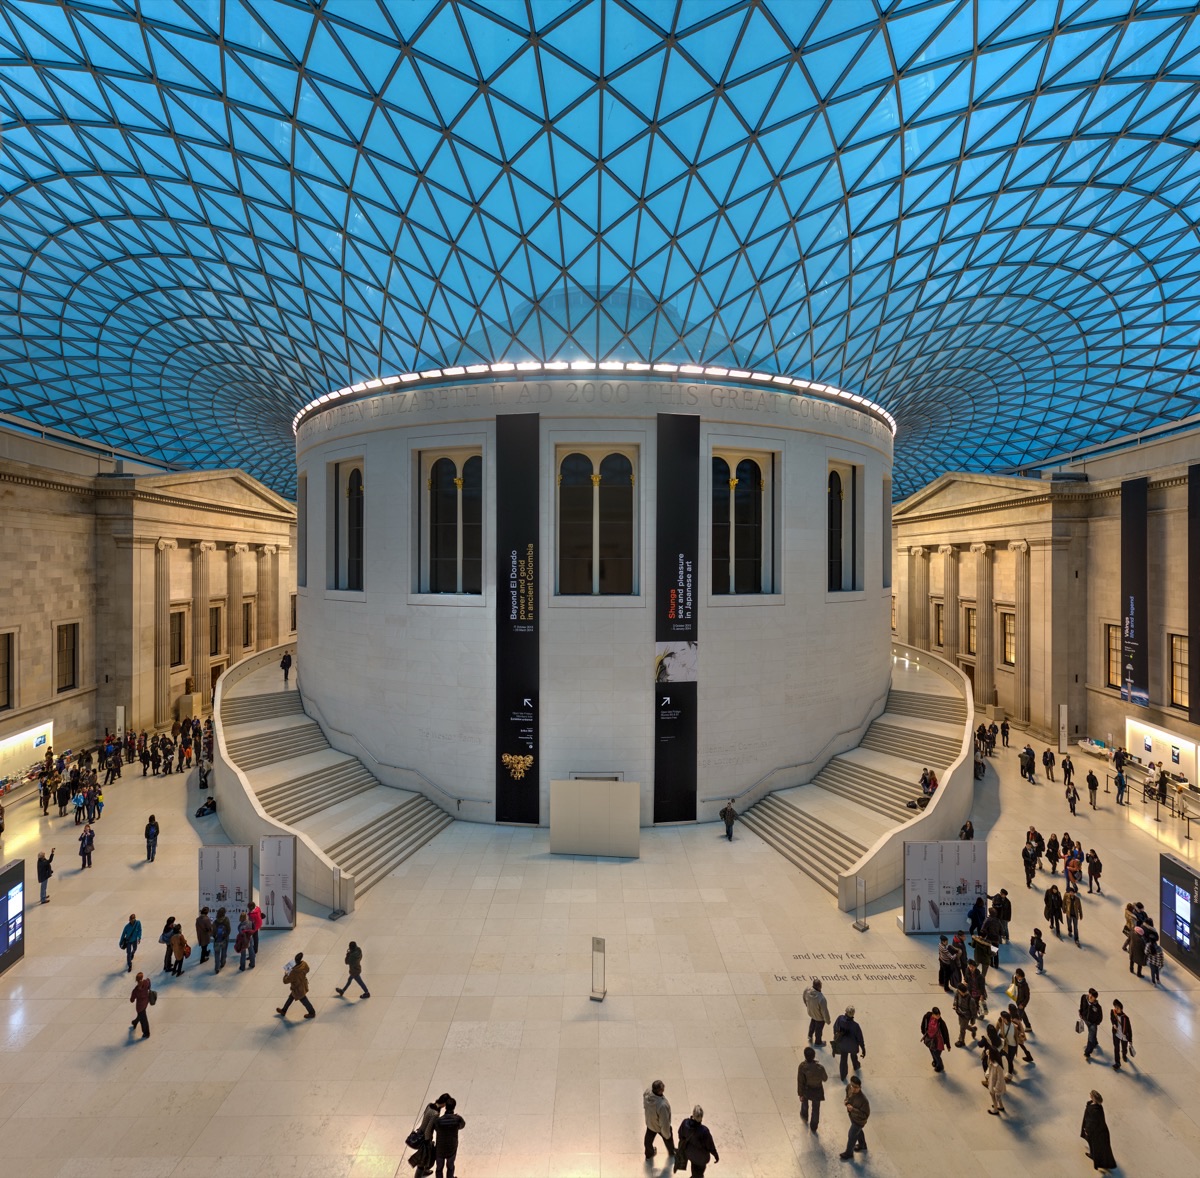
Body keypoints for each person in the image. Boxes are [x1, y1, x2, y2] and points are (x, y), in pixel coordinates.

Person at [676, 1105, 719, 1175]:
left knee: (694, 1167)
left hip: (689, 1153)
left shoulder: (685, 1123)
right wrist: (715, 1155)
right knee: (699, 1173)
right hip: (701, 1158)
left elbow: (680, 1135)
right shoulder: (704, 1131)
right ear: (701, 1117)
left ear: (693, 1114)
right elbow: (710, 1146)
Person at [1081, 1090, 1117, 1171]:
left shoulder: (1095, 1110)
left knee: (1095, 1145)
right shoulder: (1097, 1107)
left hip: (1096, 1132)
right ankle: (1094, 1155)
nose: (1089, 1095)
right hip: (1099, 1131)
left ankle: (1096, 1158)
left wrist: (1087, 1129)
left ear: (1093, 1097)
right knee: (1094, 1144)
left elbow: (1092, 1122)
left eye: (1091, 1094)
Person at [433, 1095, 465, 1178]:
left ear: (445, 1107)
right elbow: (462, 1126)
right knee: (450, 1167)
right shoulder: (457, 1119)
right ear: (454, 1107)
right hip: (452, 1147)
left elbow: (436, 1129)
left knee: (439, 1168)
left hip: (440, 1147)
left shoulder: (439, 1120)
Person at [797, 1045, 828, 1132]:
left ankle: (804, 1115)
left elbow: (800, 1081)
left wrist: (800, 1093)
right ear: (814, 1056)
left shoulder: (802, 1067)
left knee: (804, 1103)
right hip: (817, 1090)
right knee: (816, 1108)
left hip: (807, 1089)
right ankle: (814, 1126)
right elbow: (825, 1078)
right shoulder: (820, 1068)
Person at [277, 951, 316, 1019]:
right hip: (303, 983)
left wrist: (286, 974)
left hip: (297, 989)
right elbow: (308, 970)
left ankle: (312, 1012)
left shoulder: (293, 972)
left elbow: (285, 981)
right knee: (291, 997)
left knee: (304, 1000)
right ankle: (284, 1010)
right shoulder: (304, 964)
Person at [839, 1076, 870, 1159]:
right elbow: (847, 1096)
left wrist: (853, 1110)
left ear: (860, 1087)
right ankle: (862, 1144)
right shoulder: (849, 1087)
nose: (854, 1089)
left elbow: (865, 1115)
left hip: (859, 1121)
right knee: (858, 1131)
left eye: (856, 1087)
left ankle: (849, 1153)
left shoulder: (864, 1100)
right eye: (853, 1086)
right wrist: (846, 1101)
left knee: (852, 1135)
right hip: (852, 1117)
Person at [642, 1079, 674, 1159]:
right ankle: (671, 1152)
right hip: (659, 1126)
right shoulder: (662, 1105)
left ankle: (649, 1153)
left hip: (650, 1123)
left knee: (648, 1141)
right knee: (668, 1139)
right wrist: (667, 1135)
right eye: (663, 1086)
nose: (664, 1086)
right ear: (660, 1091)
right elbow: (664, 1122)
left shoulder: (648, 1093)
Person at [413, 1095, 443, 1177]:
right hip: (426, 1137)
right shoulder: (436, 1113)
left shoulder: (429, 1105)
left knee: (424, 1158)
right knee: (424, 1158)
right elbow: (429, 1128)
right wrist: (428, 1141)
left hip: (420, 1132)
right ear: (443, 1104)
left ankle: (424, 1171)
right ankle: (418, 1176)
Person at [832, 1005, 865, 1081]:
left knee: (843, 1059)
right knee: (854, 1056)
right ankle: (856, 1066)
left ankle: (843, 1075)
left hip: (843, 1044)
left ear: (845, 1012)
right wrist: (863, 1048)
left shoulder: (840, 1019)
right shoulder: (856, 1026)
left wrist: (836, 1036)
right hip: (853, 1046)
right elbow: (860, 1038)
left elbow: (835, 1028)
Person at [920, 1006, 951, 1072]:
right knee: (931, 1051)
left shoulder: (941, 1023)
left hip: (939, 1041)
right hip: (930, 1038)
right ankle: (935, 1061)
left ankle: (940, 1065)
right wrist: (924, 1032)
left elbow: (946, 1034)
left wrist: (948, 1045)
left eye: (939, 1015)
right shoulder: (927, 1017)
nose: (938, 1016)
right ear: (933, 1014)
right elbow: (923, 1024)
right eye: (936, 1015)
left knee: (936, 1054)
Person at [803, 977, 831, 1046]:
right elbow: (824, 1011)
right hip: (819, 1017)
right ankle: (818, 1042)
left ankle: (810, 1035)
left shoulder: (807, 990)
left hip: (811, 1012)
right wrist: (827, 1020)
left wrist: (807, 1005)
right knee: (818, 1030)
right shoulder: (821, 998)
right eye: (821, 985)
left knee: (812, 1023)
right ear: (819, 986)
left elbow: (804, 997)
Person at [983, 1038, 1007, 1114]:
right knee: (997, 1096)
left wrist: (996, 1088)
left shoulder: (997, 1067)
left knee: (993, 1095)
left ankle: (996, 1109)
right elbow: (987, 1053)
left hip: (995, 1084)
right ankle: (1001, 1106)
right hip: (992, 1081)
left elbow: (1000, 1079)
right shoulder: (991, 1059)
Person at [952, 982, 979, 1047]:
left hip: (966, 1016)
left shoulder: (970, 1000)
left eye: (959, 990)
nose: (958, 991)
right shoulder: (958, 992)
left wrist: (973, 1020)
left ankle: (961, 1041)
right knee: (962, 1025)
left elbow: (974, 1011)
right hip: (959, 1013)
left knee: (962, 1029)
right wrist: (955, 1005)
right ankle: (973, 1029)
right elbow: (956, 998)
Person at [1081, 988, 1103, 1060]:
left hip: (1092, 1023)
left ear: (1095, 998)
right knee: (1093, 1034)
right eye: (1090, 994)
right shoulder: (1084, 997)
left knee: (1090, 1037)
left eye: (1092, 996)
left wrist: (1096, 1023)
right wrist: (1081, 1013)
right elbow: (1081, 1005)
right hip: (1084, 1018)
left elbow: (1100, 1017)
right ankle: (1095, 1041)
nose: (1090, 996)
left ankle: (1087, 1052)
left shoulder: (1097, 1007)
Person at [129, 971, 152, 1039]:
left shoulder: (135, 990)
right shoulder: (145, 982)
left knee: (143, 1018)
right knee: (143, 1018)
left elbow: (132, 1000)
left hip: (140, 1006)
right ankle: (136, 1023)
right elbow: (149, 982)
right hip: (145, 1003)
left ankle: (145, 1031)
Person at [1110, 999, 1132, 1070]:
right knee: (1116, 1049)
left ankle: (1124, 1054)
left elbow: (1129, 1030)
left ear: (1121, 1009)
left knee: (1124, 1048)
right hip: (1116, 1034)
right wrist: (1113, 1024)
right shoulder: (1113, 1012)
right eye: (1115, 1007)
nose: (1116, 1009)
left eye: (1117, 1008)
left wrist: (1130, 1040)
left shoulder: (1126, 1018)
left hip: (1124, 1036)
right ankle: (1117, 1063)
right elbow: (1112, 1019)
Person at [212, 906, 231, 973]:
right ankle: (223, 963)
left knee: (217, 953)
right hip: (225, 939)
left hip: (217, 940)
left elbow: (213, 932)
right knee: (224, 951)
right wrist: (226, 936)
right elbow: (229, 929)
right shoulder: (226, 920)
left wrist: (215, 937)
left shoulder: (215, 922)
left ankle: (217, 967)